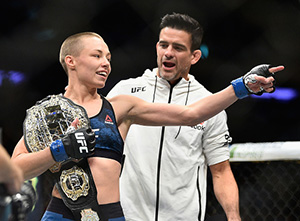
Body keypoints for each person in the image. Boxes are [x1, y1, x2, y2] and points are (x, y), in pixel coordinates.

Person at [11, 31, 283, 221]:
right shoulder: (49, 113)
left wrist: (241, 86)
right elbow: (15, 171)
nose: (105, 63)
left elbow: (191, 114)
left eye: (108, 57)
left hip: (110, 215)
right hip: (62, 213)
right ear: (71, 61)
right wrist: (59, 150)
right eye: (96, 56)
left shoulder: (121, 106)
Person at [106, 13, 244, 221]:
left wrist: (234, 218)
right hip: (128, 215)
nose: (168, 53)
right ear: (157, 47)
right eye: (164, 45)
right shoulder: (125, 92)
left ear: (194, 56)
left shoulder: (209, 104)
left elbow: (220, 171)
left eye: (178, 48)